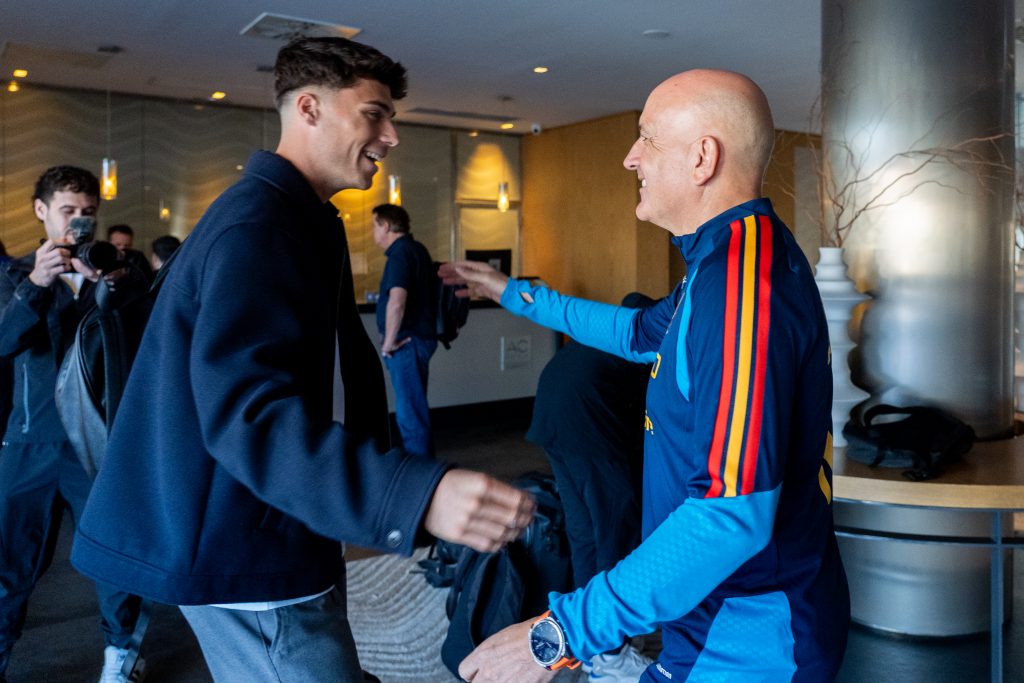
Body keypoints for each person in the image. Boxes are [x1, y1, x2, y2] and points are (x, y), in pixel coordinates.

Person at [71, 36, 534, 683]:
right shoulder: (258, 225)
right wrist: (413, 495)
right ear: (309, 108)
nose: (391, 135)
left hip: (280, 516)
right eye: (374, 113)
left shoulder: (298, 218)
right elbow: (247, 414)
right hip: (246, 538)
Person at [451, 69, 849, 682]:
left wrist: (558, 634)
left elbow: (730, 514)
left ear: (702, 158)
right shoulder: (718, 261)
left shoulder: (742, 285)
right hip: (709, 625)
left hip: (747, 642)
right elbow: (634, 333)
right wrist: (516, 296)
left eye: (648, 137)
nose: (631, 157)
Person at [0, 166, 144, 683]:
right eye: (68, 211)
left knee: (112, 553)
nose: (79, 222)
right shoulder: (15, 274)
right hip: (30, 438)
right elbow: (4, 342)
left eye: (88, 213)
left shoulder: (118, 272)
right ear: (41, 211)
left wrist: (117, 288)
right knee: (9, 560)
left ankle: (121, 655)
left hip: (97, 437)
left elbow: (146, 341)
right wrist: (38, 283)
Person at [526, 292, 655, 682]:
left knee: (585, 534)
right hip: (586, 420)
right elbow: (649, 422)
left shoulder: (607, 329)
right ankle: (612, 655)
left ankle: (591, 646)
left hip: (550, 414)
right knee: (616, 529)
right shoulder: (650, 345)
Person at [372, 203, 438, 457]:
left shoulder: (400, 254)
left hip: (406, 343)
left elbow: (397, 301)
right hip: (418, 340)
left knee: (410, 415)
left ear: (386, 226)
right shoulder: (416, 249)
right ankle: (424, 468)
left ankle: (421, 473)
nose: (373, 233)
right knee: (413, 410)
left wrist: (388, 342)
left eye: (374, 226)